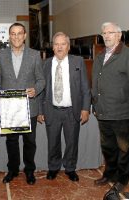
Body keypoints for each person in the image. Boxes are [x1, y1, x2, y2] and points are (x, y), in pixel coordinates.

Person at [91, 22, 129, 194]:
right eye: (104, 33)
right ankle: (110, 173)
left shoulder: (128, 55)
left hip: (122, 112)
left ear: (119, 35)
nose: (106, 36)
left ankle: (123, 178)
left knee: (124, 148)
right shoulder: (100, 56)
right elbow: (95, 83)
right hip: (103, 111)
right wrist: (95, 104)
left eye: (110, 32)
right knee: (108, 147)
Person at [0, 23, 45, 185]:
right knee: (11, 141)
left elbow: (41, 79)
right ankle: (13, 170)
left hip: (29, 107)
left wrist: (35, 89)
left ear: (25, 36)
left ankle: (29, 171)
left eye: (19, 33)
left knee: (30, 142)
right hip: (8, 109)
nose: (16, 37)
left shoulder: (35, 55)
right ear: (9, 36)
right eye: (13, 34)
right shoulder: (1, 55)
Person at [37, 32, 91, 182]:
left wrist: (86, 108)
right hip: (52, 110)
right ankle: (53, 168)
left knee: (72, 142)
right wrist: (40, 110)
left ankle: (70, 168)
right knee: (52, 142)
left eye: (63, 44)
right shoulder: (45, 64)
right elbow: (41, 89)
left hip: (71, 111)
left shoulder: (78, 62)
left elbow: (85, 88)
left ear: (68, 47)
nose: (59, 47)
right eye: (56, 44)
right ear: (52, 48)